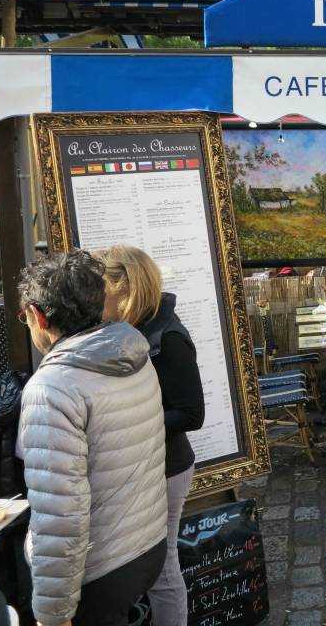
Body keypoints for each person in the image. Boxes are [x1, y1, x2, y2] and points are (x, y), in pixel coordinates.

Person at [16, 250, 167, 626]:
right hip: (146, 544)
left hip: (99, 568)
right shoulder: (132, 353)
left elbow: (59, 515)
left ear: (37, 315)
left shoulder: (52, 388)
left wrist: (53, 615)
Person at [94, 245, 206, 626]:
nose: (96, 297)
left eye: (101, 287)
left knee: (163, 567)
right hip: (144, 463)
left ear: (124, 287)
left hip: (167, 466)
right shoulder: (131, 329)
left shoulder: (168, 335)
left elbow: (192, 414)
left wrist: (130, 422)